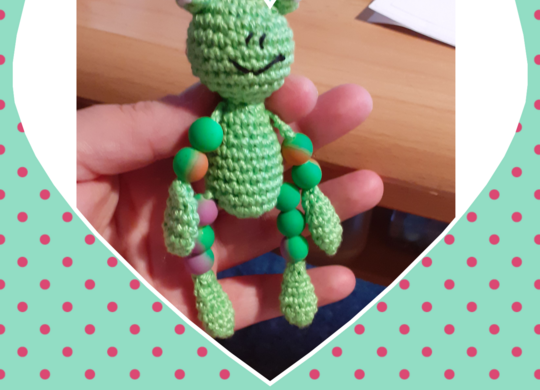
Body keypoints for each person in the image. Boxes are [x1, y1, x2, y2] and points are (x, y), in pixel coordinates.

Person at [77, 75, 383, 333]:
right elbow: (192, 159)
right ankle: (206, 287)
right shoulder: (213, 121)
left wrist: (311, 191)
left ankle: (296, 275)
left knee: (291, 220)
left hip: (268, 189)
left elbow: (297, 150)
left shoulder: (247, 120)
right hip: (221, 193)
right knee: (200, 237)